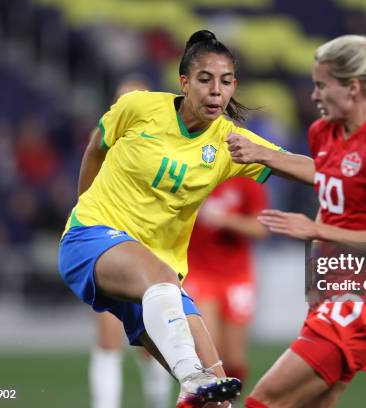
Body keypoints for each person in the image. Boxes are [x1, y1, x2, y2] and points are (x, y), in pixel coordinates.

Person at [58, 29, 290, 407]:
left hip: (163, 266)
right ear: (184, 82)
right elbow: (95, 148)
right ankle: (184, 378)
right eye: (205, 79)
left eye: (226, 81)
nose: (216, 90)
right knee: (124, 329)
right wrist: (86, 211)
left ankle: (188, 388)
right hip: (97, 240)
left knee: (219, 392)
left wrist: (351, 177)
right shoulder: (136, 113)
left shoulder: (228, 144)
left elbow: (286, 169)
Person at [225, 32, 366, 407]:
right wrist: (264, 154)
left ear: (353, 88)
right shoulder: (323, 131)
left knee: (264, 401)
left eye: (321, 86)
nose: (314, 96)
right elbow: (329, 172)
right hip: (332, 288)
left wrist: (314, 229)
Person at [89, 74, 174, 408]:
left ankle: (157, 401)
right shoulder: (101, 143)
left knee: (150, 341)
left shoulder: (164, 146)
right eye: (122, 98)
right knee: (108, 337)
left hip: (150, 251)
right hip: (108, 246)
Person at [184, 176, 269, 385]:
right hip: (198, 271)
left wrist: (225, 220)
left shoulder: (246, 180)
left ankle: (231, 400)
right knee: (209, 350)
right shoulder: (191, 174)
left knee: (233, 358)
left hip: (236, 275)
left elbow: (261, 228)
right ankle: (212, 400)